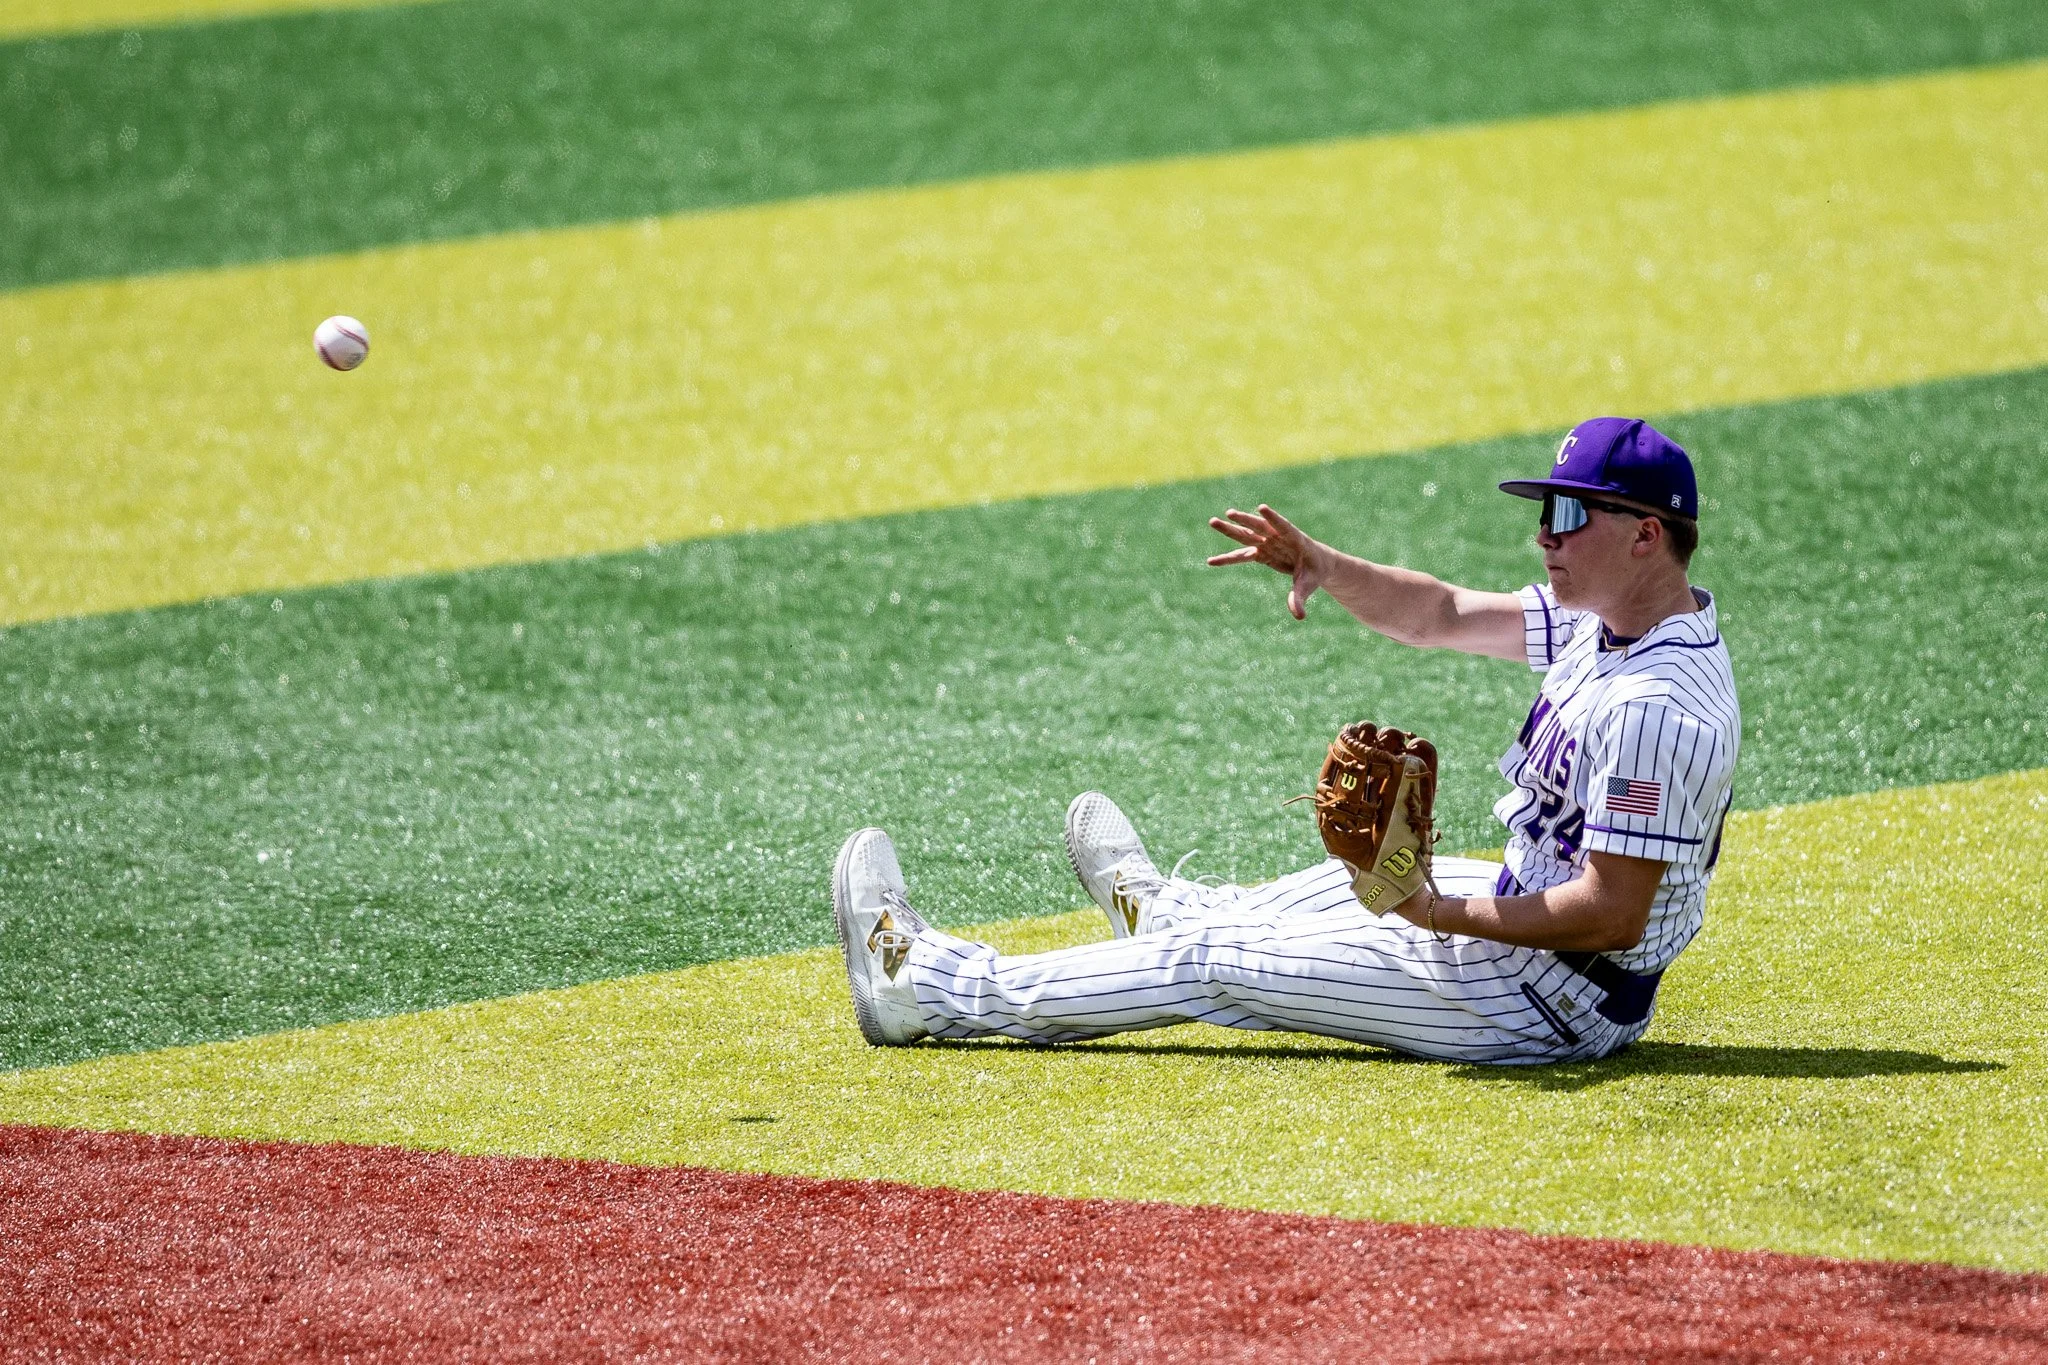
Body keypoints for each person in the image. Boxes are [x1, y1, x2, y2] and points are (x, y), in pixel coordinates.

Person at [830, 417, 1739, 1064]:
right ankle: (1167, 913)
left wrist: (1430, 911)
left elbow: (1613, 911)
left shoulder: (1657, 703)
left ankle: (929, 987)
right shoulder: (1612, 621)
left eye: (1570, 514)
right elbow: (1444, 613)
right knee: (1301, 897)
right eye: (1543, 510)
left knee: (1216, 967)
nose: (1545, 533)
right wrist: (1326, 566)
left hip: (1547, 1000)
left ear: (1645, 535)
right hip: (1534, 934)